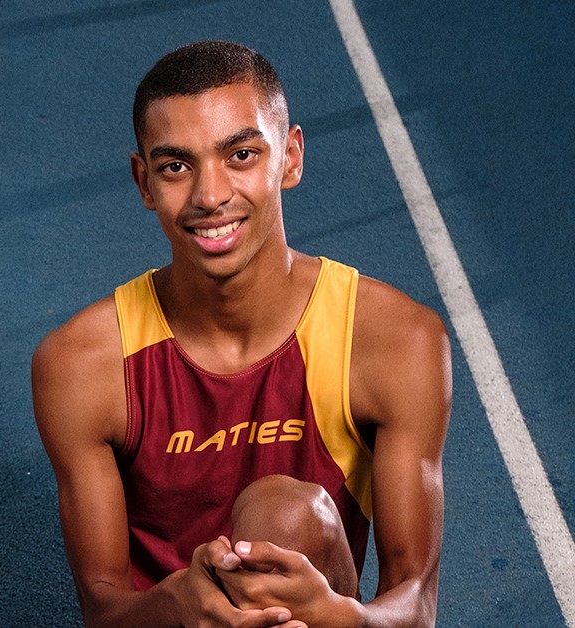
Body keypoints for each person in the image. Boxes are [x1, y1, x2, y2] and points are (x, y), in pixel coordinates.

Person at [32, 41, 451, 627]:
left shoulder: (393, 339)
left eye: (241, 155)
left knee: (284, 515)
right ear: (143, 182)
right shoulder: (83, 361)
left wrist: (344, 618)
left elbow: (415, 599)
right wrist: (178, 602)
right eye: (176, 166)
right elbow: (104, 613)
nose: (210, 196)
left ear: (291, 157)